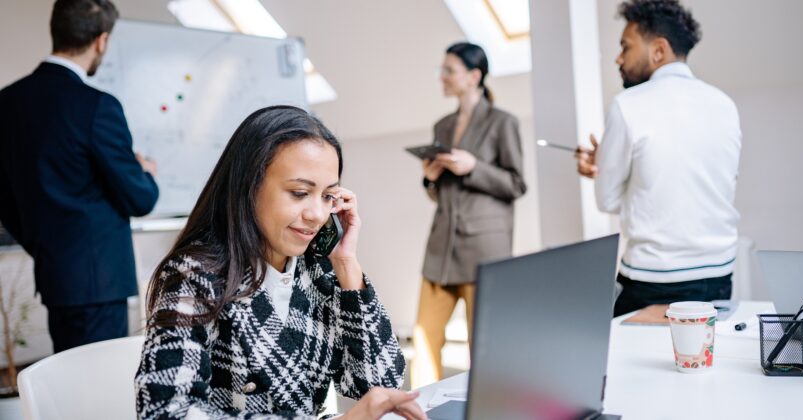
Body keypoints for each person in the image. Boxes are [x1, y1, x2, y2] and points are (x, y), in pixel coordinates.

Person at [135, 106, 425, 420]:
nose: (317, 214)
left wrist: (346, 264)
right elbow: (165, 413)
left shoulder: (318, 269)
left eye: (328, 196)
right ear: (249, 187)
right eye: (300, 193)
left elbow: (380, 385)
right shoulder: (193, 276)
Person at [0, 0, 158, 352]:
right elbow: (141, 198)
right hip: (99, 283)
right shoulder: (96, 106)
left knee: (68, 384)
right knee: (96, 392)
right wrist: (143, 172)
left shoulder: (7, 103)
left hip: (55, 277)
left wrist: (44, 245)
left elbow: (5, 196)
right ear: (101, 41)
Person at [576, 0, 741, 317]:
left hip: (651, 281)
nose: (618, 57)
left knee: (625, 363)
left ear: (658, 50)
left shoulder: (628, 105)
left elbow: (607, 201)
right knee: (699, 364)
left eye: (626, 46)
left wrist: (606, 167)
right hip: (718, 276)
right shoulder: (724, 105)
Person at [412, 42, 527, 388]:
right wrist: (429, 179)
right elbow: (440, 192)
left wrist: (474, 166)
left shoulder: (502, 122)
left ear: (474, 76)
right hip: (441, 248)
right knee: (424, 341)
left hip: (484, 251)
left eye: (449, 70)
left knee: (485, 349)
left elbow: (516, 184)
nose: (442, 77)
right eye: (442, 70)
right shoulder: (442, 126)